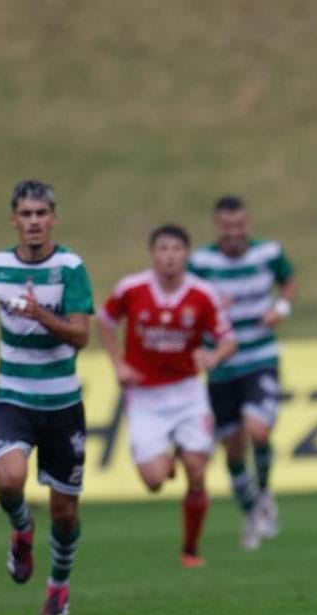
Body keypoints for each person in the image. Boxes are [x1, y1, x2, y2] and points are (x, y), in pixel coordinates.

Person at [0, 180, 94, 615]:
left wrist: (40, 314)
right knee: (8, 479)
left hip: (62, 403)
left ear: (53, 218)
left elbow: (80, 337)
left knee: (65, 510)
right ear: (14, 219)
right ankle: (21, 529)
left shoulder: (70, 267)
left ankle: (59, 583)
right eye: (26, 214)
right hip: (15, 397)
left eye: (41, 214)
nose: (34, 222)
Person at [97, 225, 237, 567]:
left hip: (187, 393)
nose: (170, 255)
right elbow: (104, 320)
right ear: (153, 254)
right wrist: (117, 364)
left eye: (177, 249)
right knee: (154, 481)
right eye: (163, 248)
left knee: (196, 471)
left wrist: (213, 357)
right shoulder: (132, 289)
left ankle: (190, 549)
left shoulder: (202, 294)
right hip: (145, 396)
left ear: (186, 254)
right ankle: (169, 456)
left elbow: (228, 339)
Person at [189, 196, 296, 549]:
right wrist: (210, 309)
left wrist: (280, 307)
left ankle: (264, 492)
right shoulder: (201, 262)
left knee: (258, 429)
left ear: (247, 225)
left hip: (259, 356)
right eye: (227, 227)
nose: (234, 233)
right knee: (233, 448)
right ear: (217, 227)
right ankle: (251, 513)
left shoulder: (267, 253)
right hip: (221, 365)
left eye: (239, 226)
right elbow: (187, 304)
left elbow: (288, 279)